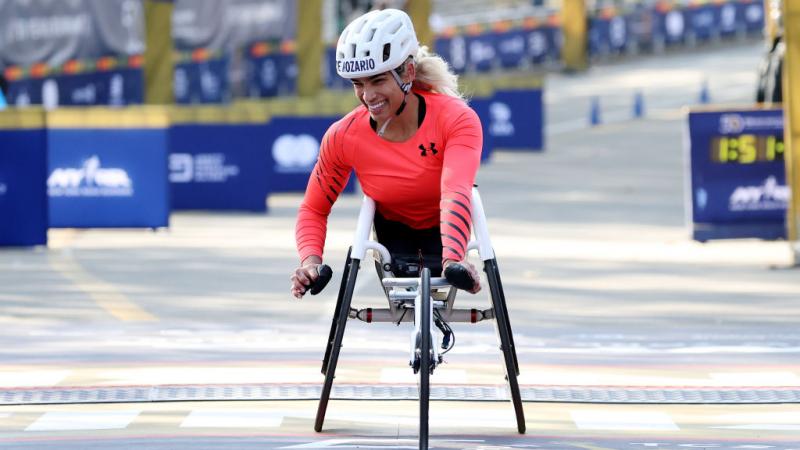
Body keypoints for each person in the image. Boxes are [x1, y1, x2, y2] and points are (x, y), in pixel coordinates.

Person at [290, 8, 483, 299]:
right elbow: (313, 209)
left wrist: (453, 258)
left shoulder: (456, 119)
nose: (367, 96)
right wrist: (310, 262)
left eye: (378, 81)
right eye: (358, 84)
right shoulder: (343, 135)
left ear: (408, 72)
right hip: (391, 233)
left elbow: (455, 191)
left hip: (445, 228)